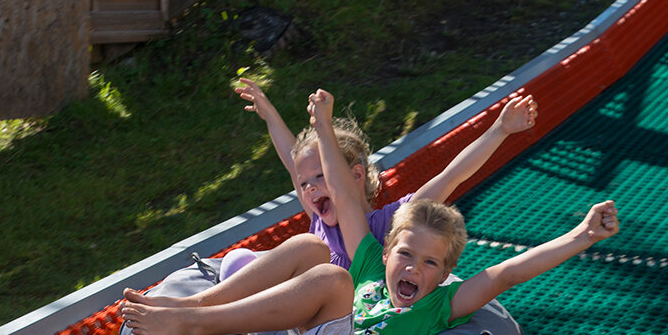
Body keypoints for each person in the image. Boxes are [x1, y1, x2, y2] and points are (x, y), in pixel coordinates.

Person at [119, 90, 619, 335]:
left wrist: (580, 235)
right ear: (387, 254)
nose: (412, 268)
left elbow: (505, 270)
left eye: (426, 262)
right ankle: (196, 309)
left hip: (333, 331)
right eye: (405, 255)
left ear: (444, 274)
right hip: (307, 318)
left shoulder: (426, 279)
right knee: (310, 251)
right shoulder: (368, 263)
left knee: (327, 269)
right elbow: (316, 176)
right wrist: (297, 122)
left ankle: (196, 321)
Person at [230, 77, 539, 269]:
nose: (309, 189)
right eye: (304, 183)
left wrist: (500, 130)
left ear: (355, 175)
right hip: (308, 305)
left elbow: (451, 176)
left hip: (347, 321)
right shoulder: (318, 217)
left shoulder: (394, 220)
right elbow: (291, 158)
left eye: (321, 177)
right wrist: (269, 114)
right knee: (245, 259)